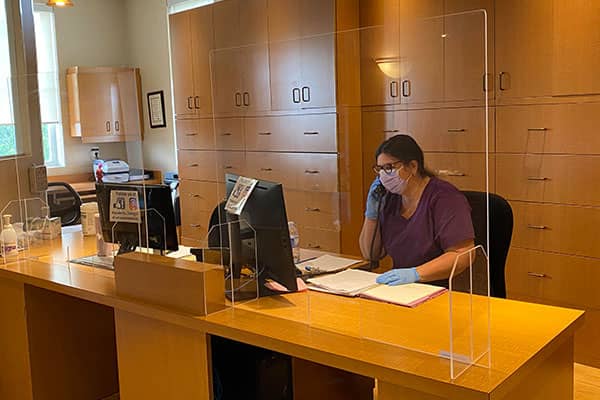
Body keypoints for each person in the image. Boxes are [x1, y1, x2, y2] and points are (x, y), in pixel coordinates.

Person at [359, 134, 474, 286]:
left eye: (389, 168)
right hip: (402, 288)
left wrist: (416, 274)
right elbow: (371, 254)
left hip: (443, 289)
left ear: (413, 166)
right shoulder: (390, 199)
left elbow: (463, 254)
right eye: (379, 169)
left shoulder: (445, 198)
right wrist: (372, 214)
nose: (383, 176)